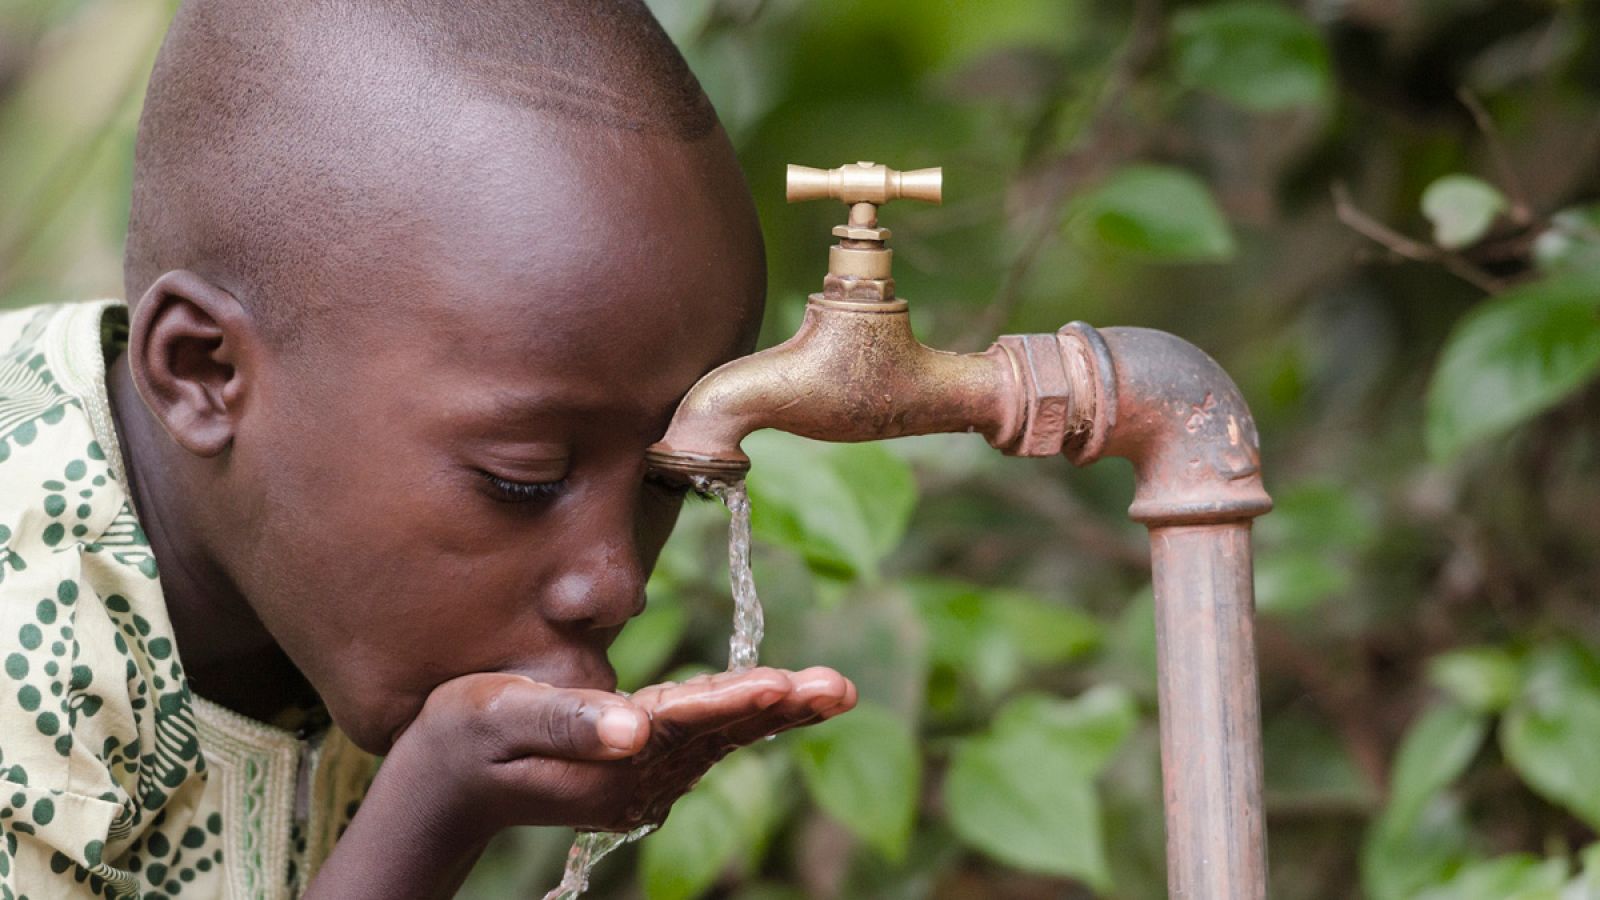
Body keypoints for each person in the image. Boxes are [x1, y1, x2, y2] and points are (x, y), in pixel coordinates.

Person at [0, 0, 857, 897]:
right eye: (522, 480)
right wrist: (431, 814)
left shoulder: (306, 569)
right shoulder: (28, 626)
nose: (615, 584)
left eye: (663, 480)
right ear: (203, 372)